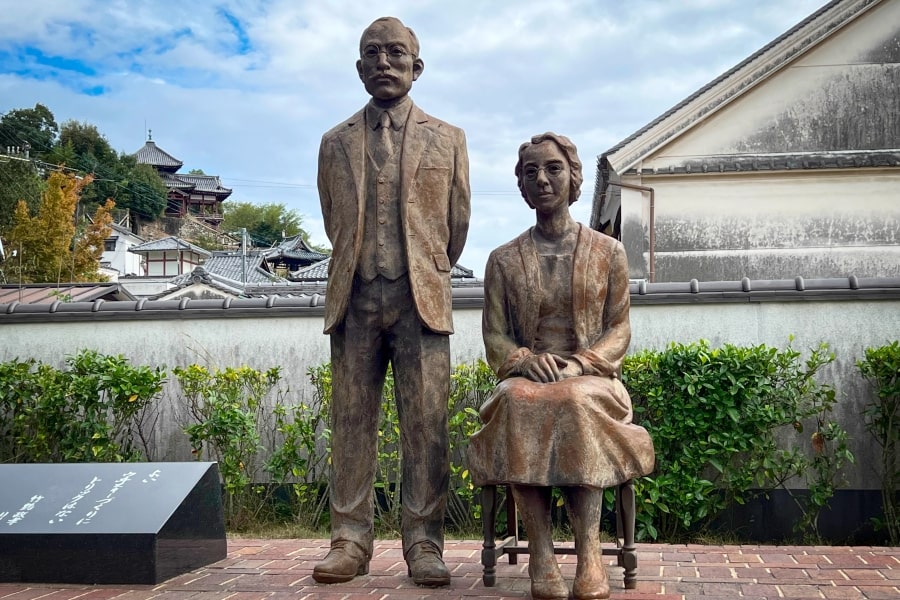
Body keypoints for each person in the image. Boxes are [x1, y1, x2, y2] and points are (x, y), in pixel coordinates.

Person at [312, 16, 470, 587]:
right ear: (359, 68)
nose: (384, 62)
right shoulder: (334, 142)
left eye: (395, 53)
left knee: (426, 426)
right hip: (353, 296)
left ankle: (424, 544)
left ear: (416, 66)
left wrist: (420, 268)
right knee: (351, 422)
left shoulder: (448, 138)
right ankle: (349, 541)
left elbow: (456, 226)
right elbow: (335, 221)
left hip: (419, 296)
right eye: (372, 53)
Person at [467, 133, 654, 600]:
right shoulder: (503, 260)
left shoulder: (607, 252)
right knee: (514, 400)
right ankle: (542, 555)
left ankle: (590, 553)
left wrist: (581, 364)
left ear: (573, 178)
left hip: (592, 381)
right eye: (531, 172)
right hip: (526, 382)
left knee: (574, 400)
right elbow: (495, 335)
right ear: (521, 186)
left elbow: (619, 329)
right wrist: (525, 361)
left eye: (553, 168)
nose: (542, 179)